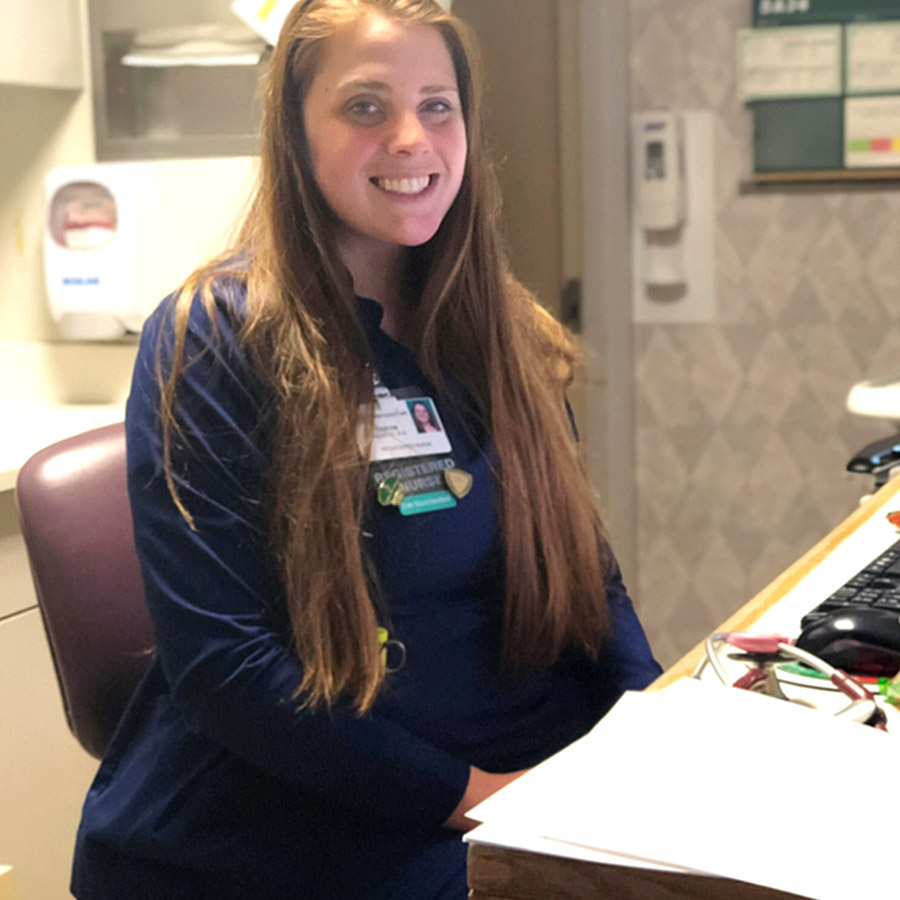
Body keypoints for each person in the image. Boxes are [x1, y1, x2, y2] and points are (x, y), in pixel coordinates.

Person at [70, 1, 662, 898]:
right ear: (293, 132)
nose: (410, 139)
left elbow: (590, 583)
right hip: (300, 829)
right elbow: (226, 669)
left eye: (437, 106)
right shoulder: (214, 340)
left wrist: (652, 738)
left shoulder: (505, 336)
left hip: (512, 787)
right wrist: (483, 802)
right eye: (364, 107)